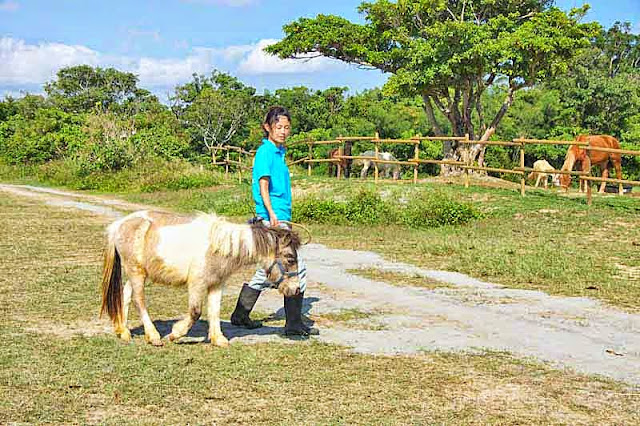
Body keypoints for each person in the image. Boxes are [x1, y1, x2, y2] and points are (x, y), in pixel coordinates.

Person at [230, 106, 319, 337]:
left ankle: (240, 314)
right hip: (273, 219)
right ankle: (293, 324)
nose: (283, 131)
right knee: (294, 266)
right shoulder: (265, 152)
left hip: (280, 217)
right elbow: (263, 184)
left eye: (287, 127)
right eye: (278, 127)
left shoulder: (280, 153)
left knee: (268, 269)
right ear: (268, 127)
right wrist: (271, 215)